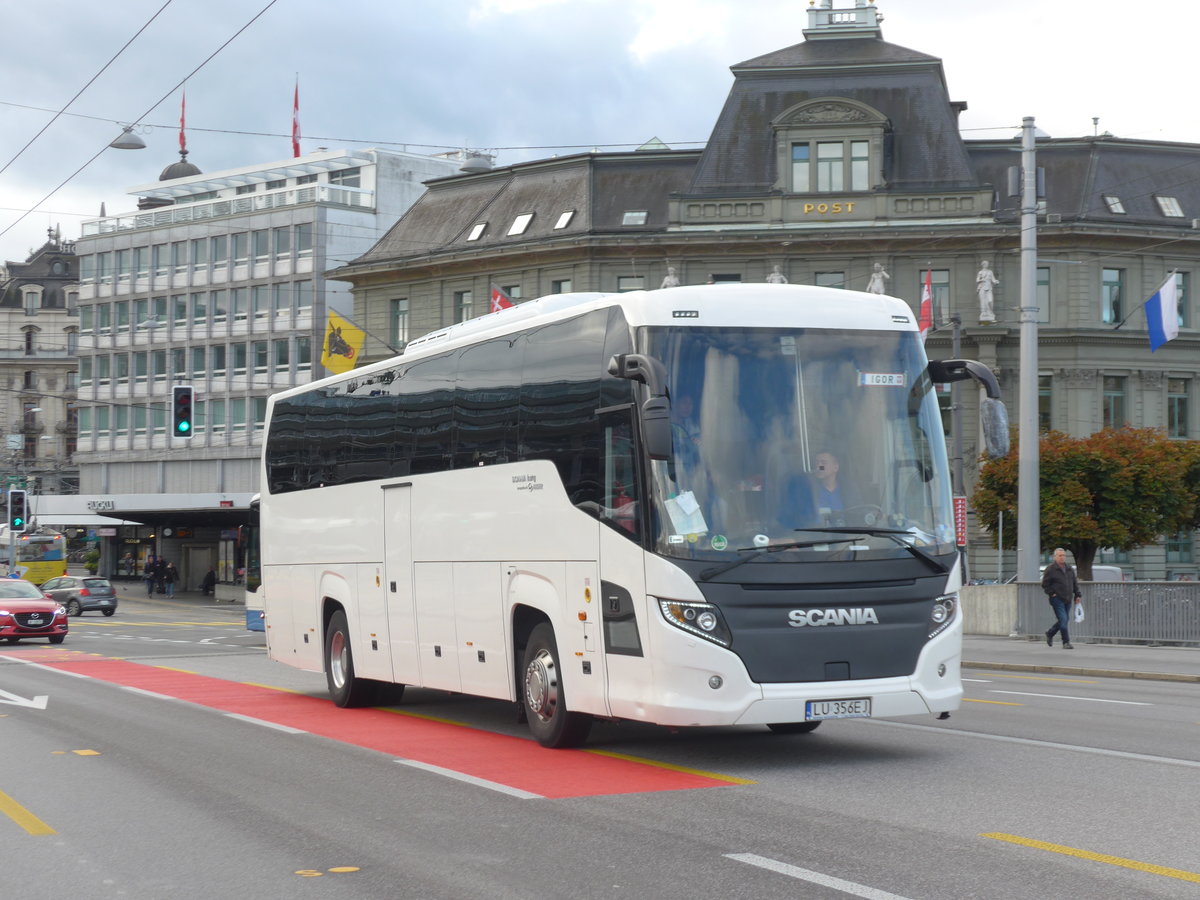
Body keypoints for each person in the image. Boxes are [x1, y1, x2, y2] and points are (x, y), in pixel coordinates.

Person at [1041, 547, 1081, 649]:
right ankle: (1066, 642)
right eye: (1060, 555)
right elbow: (1045, 584)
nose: (1062, 557)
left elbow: (1074, 583)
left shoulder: (1069, 568)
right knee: (1063, 620)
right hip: (1057, 598)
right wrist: (1052, 593)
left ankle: (1050, 633)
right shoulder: (1050, 569)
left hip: (1068, 598)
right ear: (1055, 557)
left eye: (1063, 555)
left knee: (1064, 620)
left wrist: (1077, 595)